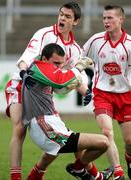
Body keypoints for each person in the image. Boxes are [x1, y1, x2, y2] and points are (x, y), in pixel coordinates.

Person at [5, 2, 91, 179]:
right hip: (22, 84)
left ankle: (89, 173)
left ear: (75, 21)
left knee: (63, 133)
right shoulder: (44, 34)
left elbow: (74, 76)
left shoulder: (75, 49)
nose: (62, 18)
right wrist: (23, 72)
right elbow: (26, 58)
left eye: (67, 16)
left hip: (43, 93)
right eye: (61, 14)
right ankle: (15, 177)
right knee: (19, 128)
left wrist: (86, 92)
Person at [21, 43, 111, 180]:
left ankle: (35, 176)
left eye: (61, 64)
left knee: (74, 146)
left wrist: (71, 85)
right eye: (55, 63)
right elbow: (60, 81)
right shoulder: (39, 67)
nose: (59, 67)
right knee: (104, 142)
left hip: (46, 125)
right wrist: (79, 67)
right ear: (44, 59)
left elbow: (59, 87)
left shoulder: (39, 68)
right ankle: (79, 169)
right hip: (44, 126)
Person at [80, 4, 131, 180]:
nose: (106, 21)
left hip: (126, 96)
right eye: (104, 18)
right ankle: (118, 173)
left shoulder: (130, 44)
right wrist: (78, 71)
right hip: (102, 94)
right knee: (107, 133)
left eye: (110, 18)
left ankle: (129, 158)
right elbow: (80, 57)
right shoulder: (96, 40)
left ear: (121, 20)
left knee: (130, 142)